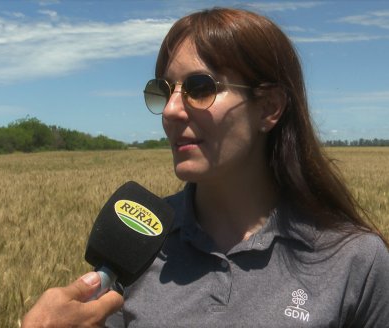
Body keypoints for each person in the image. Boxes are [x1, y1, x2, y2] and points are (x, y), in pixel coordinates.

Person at [23, 7, 389, 327]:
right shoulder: (140, 240)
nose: (169, 111)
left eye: (200, 88)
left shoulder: (354, 260)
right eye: (164, 90)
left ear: (269, 108)